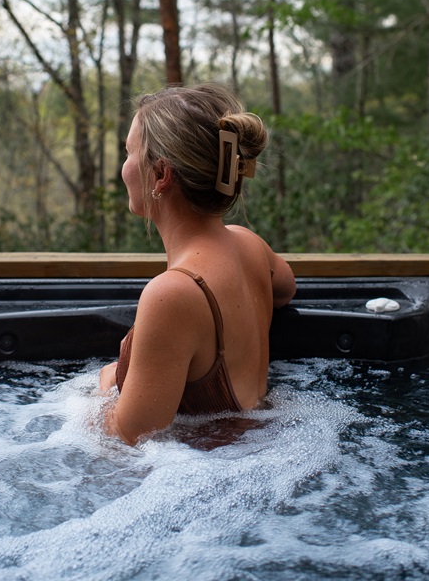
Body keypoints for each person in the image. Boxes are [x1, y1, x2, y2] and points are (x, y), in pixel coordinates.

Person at [99, 83, 296, 445]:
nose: (123, 167)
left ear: (161, 175)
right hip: (257, 450)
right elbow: (286, 290)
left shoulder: (174, 292)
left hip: (208, 476)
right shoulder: (251, 246)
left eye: (129, 153)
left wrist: (105, 385)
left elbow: (128, 441)